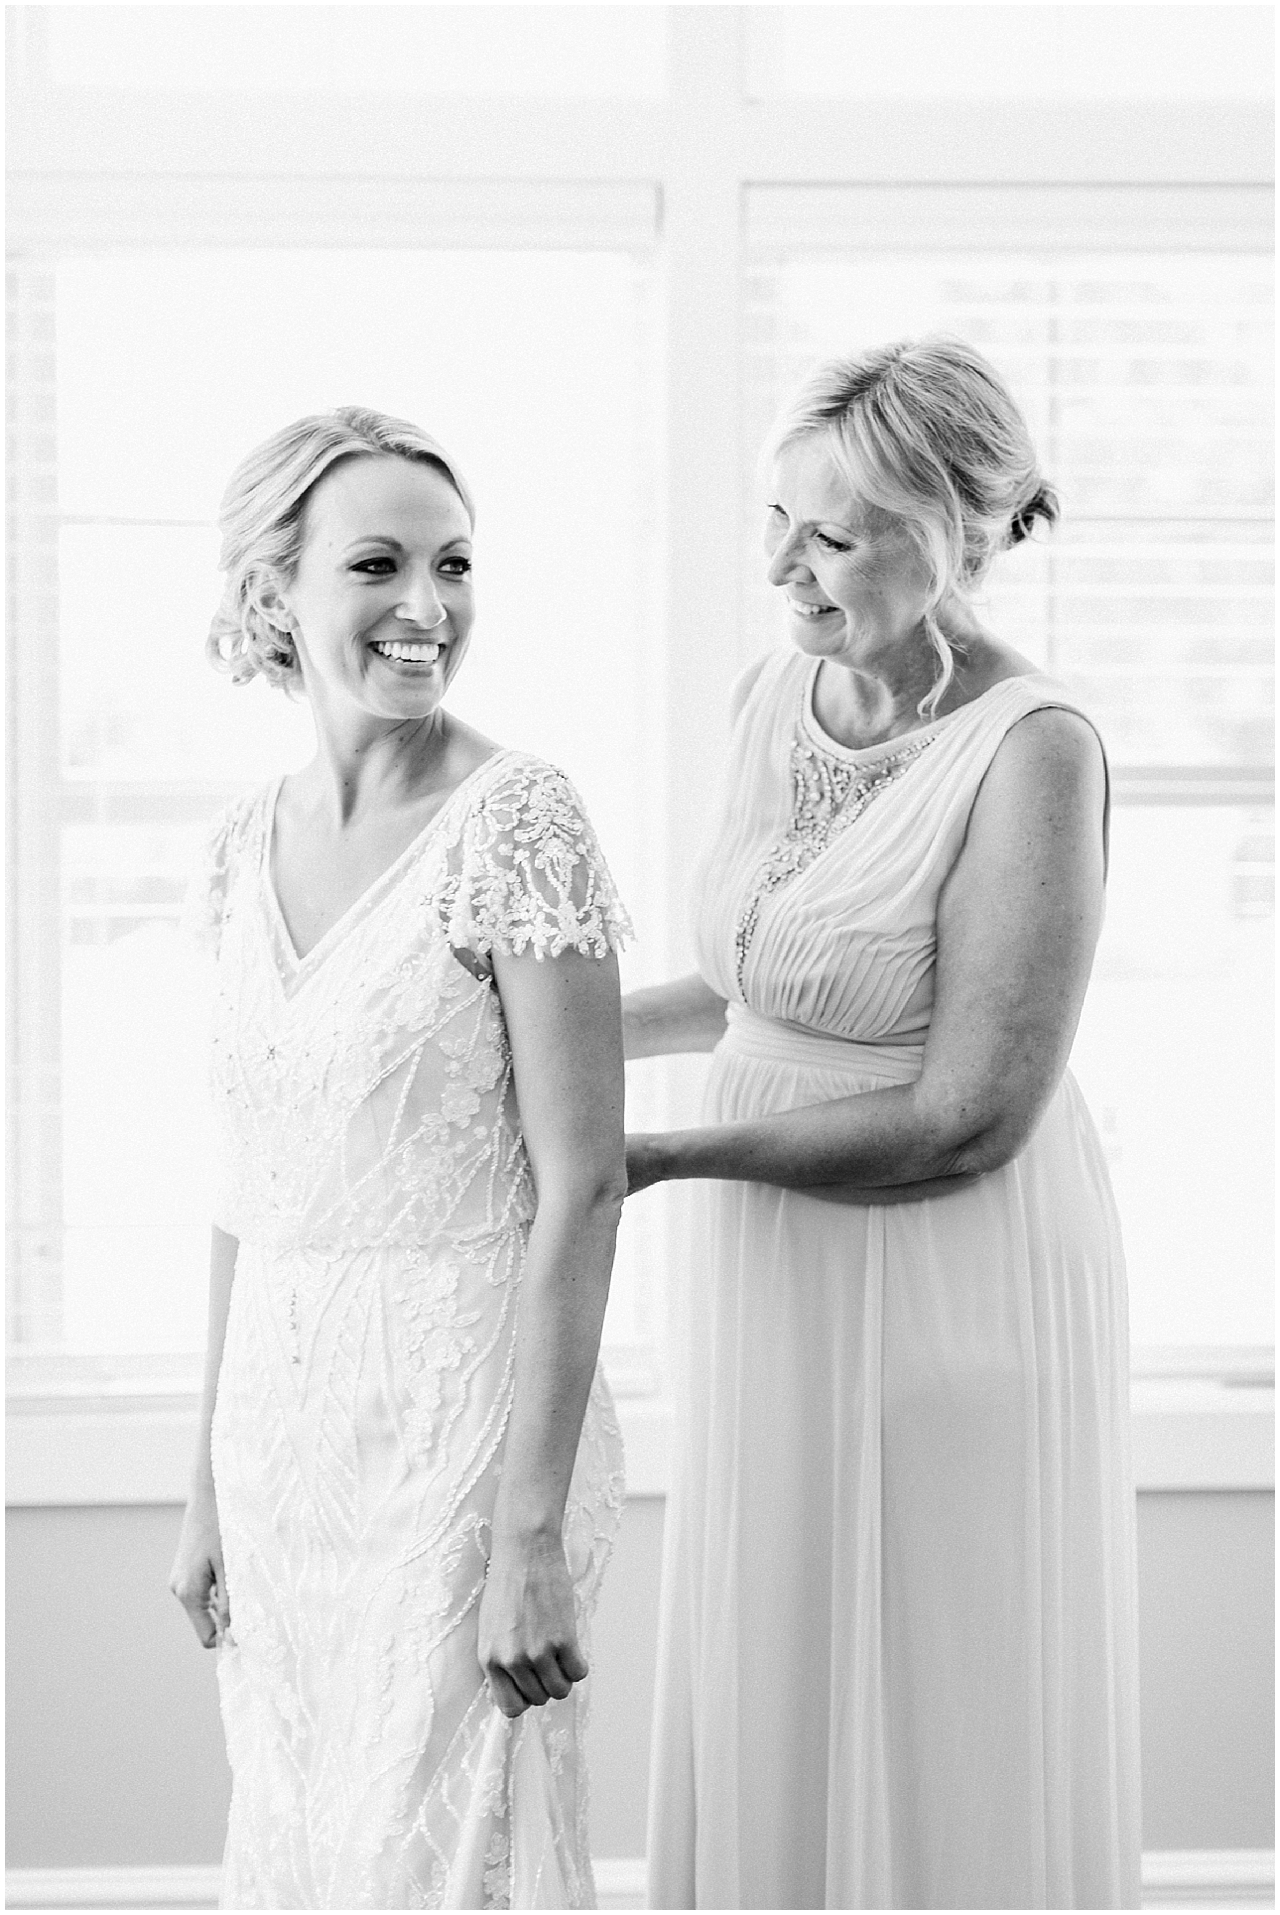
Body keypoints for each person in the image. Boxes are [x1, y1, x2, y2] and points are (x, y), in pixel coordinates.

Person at [625, 339, 1141, 1910]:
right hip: (765, 1269)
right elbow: (751, 990)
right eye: (777, 517)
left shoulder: (1033, 750)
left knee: (934, 1664)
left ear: (961, 535)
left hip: (943, 1276)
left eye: (834, 536)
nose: (784, 565)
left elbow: (968, 1115)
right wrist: (535, 1037)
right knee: (776, 1639)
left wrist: (654, 1160)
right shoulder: (773, 686)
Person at [168, 406, 630, 1910]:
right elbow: (253, 1185)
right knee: (305, 1842)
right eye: (377, 564)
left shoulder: (521, 819)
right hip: (283, 1447)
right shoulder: (237, 851)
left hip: (463, 1433)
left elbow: (584, 1181)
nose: (427, 609)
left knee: (444, 1861)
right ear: (274, 593)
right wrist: (205, 1484)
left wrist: (531, 1534)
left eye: (455, 565)